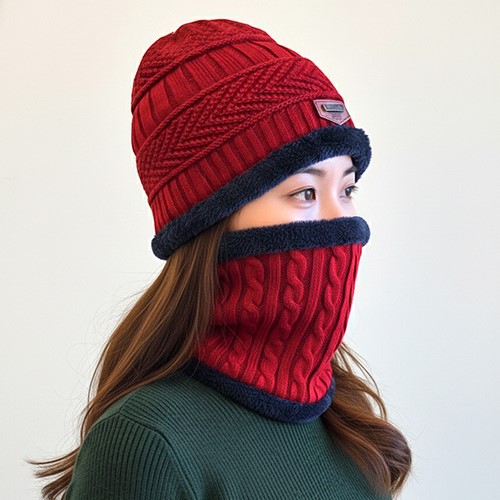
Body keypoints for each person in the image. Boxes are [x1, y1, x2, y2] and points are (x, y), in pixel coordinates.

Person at [31, 18, 412, 499]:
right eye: (305, 192)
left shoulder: (340, 409)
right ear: (210, 218)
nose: (343, 222)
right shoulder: (145, 442)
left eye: (347, 189)